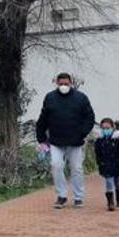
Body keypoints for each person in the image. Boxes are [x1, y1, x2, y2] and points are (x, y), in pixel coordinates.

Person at [35, 72, 95, 209]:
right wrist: (41, 138)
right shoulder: (50, 98)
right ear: (57, 84)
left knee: (77, 169)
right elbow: (43, 118)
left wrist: (82, 133)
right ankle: (61, 195)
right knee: (56, 166)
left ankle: (78, 197)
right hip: (56, 141)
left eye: (66, 84)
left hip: (75, 141)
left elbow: (89, 117)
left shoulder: (81, 98)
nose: (63, 86)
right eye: (61, 84)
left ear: (71, 83)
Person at [94, 117, 119, 211]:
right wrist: (100, 163)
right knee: (108, 182)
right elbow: (97, 153)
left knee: (118, 183)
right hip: (106, 165)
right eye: (103, 128)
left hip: (117, 165)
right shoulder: (99, 141)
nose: (105, 130)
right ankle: (110, 202)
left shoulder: (118, 140)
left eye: (107, 128)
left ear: (112, 127)